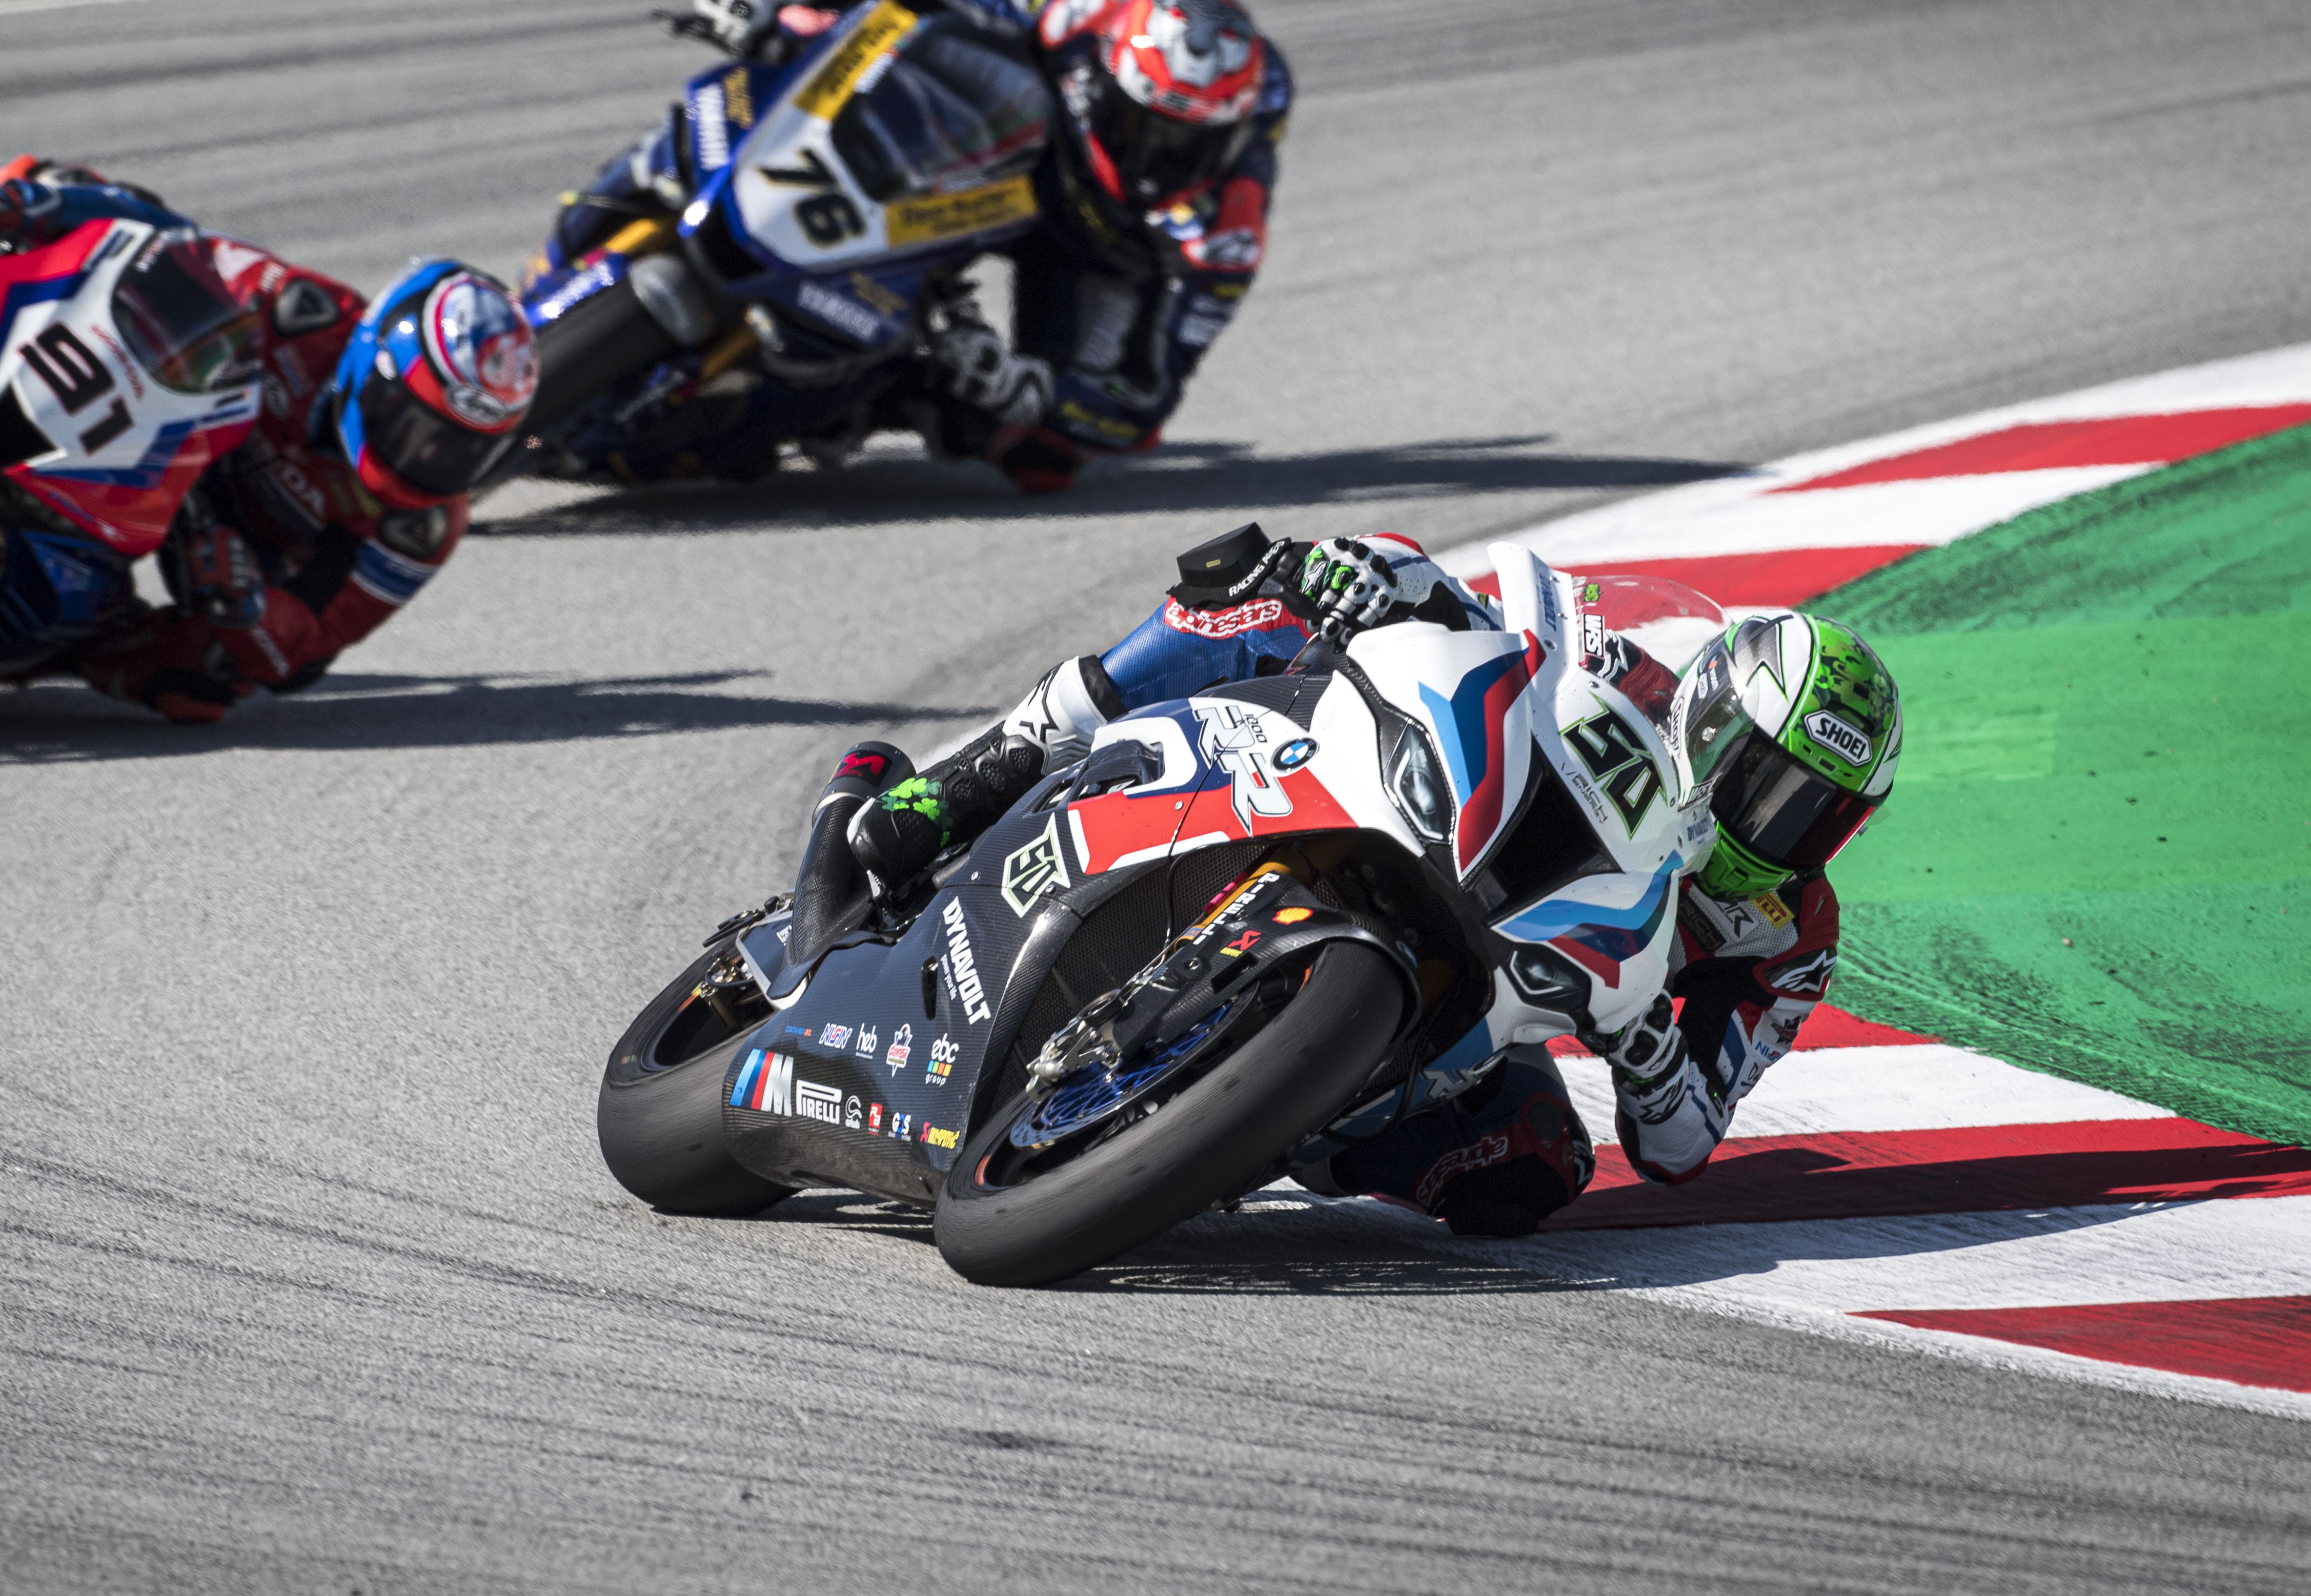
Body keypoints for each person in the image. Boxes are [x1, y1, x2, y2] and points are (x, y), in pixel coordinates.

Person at [804, 523, 1904, 1238]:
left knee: (1531, 1168)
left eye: (1819, 814)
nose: (1780, 828)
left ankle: (1250, 1118)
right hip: (1407, 798)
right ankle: (978, 773)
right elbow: (1501, 631)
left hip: (1499, 987)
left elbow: (1683, 1143)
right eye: (1766, 784)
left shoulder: (1788, 937)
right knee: (1261, 588)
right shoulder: (1633, 680)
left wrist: (1655, 1050)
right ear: (1713, 717)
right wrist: (1390, 576)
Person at [0, 157, 535, 724]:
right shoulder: (306, 314)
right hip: (149, 439)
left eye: (465, 449)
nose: (437, 463)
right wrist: (34, 210)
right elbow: (172, 243)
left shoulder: (419, 528)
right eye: (426, 432)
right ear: (373, 374)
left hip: (218, 552)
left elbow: (311, 644)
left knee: (200, 685)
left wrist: (247, 606)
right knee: (44, 183)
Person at [540, 0, 1290, 493]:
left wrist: (1033, 390)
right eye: (1146, 126)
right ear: (1107, 73)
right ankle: (603, 222)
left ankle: (880, 399)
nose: (1160, 155)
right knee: (791, 50)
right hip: (999, 159)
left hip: (1100, 248)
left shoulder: (1225, 228)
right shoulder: (1076, 21)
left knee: (1043, 456)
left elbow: (1146, 401)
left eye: (1190, 141)